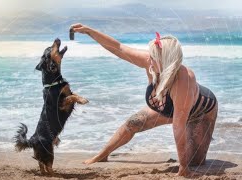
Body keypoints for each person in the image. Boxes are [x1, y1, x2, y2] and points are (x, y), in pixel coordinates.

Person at [70, 23, 218, 177]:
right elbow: (119, 48)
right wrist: (90, 31)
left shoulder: (184, 80)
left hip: (200, 112)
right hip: (169, 107)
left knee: (195, 162)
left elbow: (178, 126)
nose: (149, 60)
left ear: (166, 60)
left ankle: (188, 162)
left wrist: (183, 167)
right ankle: (101, 155)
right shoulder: (151, 63)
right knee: (134, 122)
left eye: (153, 57)